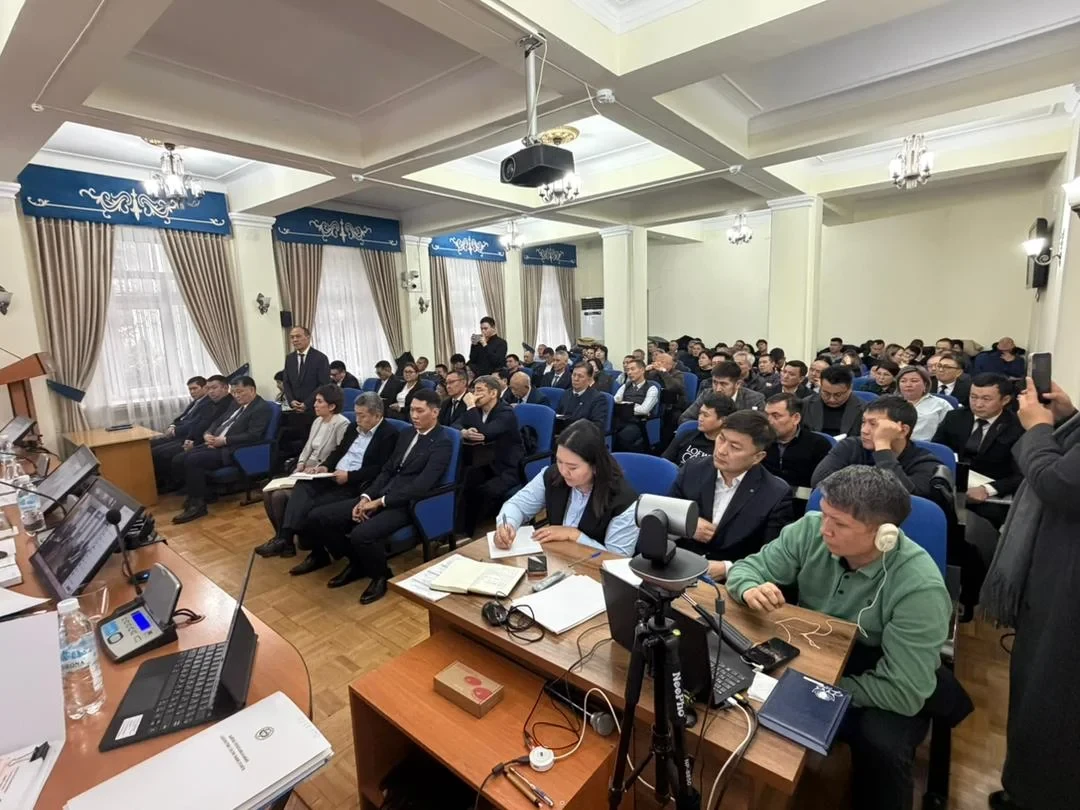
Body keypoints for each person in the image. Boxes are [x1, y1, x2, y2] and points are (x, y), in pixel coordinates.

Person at [727, 466, 950, 810]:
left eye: (840, 524)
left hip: (881, 666)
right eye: (825, 514)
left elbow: (904, 692)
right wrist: (749, 587)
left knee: (882, 745)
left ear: (885, 535)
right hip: (820, 647)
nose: (825, 529)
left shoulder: (920, 588)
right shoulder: (810, 529)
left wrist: (816, 689)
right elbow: (747, 568)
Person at [981, 377, 1079, 810]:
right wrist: (1069, 417)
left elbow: (1061, 484)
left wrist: (1039, 428)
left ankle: (1033, 795)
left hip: (1068, 590)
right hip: (1057, 572)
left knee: (1051, 694)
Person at [301, 388, 453, 604]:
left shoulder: (442, 442)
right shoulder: (407, 433)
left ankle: (381, 575)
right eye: (412, 410)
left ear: (435, 412)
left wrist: (380, 502)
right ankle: (358, 563)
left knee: (361, 534)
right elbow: (388, 470)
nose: (414, 416)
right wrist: (366, 496)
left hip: (407, 504)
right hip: (381, 494)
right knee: (319, 517)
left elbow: (421, 486)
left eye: (420, 411)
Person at [669, 410, 793, 580]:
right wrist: (685, 522)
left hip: (733, 580)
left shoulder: (775, 494)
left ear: (757, 457)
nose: (721, 450)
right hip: (681, 566)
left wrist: (728, 568)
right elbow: (666, 513)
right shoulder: (693, 468)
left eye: (734, 447)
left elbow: (773, 557)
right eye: (721, 439)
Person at [493, 420, 639, 556]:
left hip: (592, 569)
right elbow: (517, 505)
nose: (563, 471)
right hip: (558, 558)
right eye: (559, 461)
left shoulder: (623, 501)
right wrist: (507, 525)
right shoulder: (552, 475)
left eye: (572, 467)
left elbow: (616, 559)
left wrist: (574, 535)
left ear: (595, 466)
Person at [254, 385, 351, 558]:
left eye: (319, 401)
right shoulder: (318, 421)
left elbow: (339, 454)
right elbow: (307, 447)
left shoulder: (341, 424)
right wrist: (300, 464)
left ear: (332, 406)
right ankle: (282, 540)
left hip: (320, 473)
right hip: (305, 469)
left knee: (279, 496)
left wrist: (317, 467)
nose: (314, 404)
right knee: (268, 492)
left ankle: (285, 540)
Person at [172, 376, 273, 524]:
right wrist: (207, 434)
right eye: (234, 392)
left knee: (193, 460)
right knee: (180, 458)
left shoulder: (261, 408)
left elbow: (253, 435)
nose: (236, 395)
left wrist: (224, 441)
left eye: (240, 392)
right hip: (217, 442)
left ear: (252, 390)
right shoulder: (235, 403)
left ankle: (198, 506)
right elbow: (218, 421)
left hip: (234, 450)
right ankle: (204, 494)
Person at [932, 373, 1023, 521]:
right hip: (951, 484)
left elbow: (1022, 474)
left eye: (986, 399)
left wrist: (987, 489)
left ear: (1005, 400)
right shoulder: (954, 417)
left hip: (991, 495)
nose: (978, 404)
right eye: (973, 397)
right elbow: (936, 451)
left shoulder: (1017, 427)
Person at [810, 395, 941, 497]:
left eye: (873, 424)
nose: (864, 430)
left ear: (903, 430)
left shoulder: (925, 463)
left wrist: (882, 447)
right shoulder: (850, 446)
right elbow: (819, 483)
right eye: (863, 422)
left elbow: (905, 499)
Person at [460, 375, 524, 535]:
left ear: (493, 393)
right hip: (486, 462)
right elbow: (456, 424)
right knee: (465, 480)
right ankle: (459, 532)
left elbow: (485, 432)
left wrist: (470, 406)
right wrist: (464, 432)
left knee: (484, 490)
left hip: (507, 467)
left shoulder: (506, 412)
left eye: (479, 390)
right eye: (474, 390)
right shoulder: (478, 410)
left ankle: (473, 532)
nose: (475, 395)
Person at [153, 375, 232, 491]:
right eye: (209, 388)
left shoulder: (229, 404)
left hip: (211, 442)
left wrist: (194, 442)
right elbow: (199, 424)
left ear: (225, 388)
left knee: (171, 455)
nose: (211, 392)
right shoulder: (211, 403)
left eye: (214, 388)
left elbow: (213, 427)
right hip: (197, 437)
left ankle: (178, 485)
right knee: (156, 450)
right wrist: (190, 438)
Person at [763, 393, 833, 488]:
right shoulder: (760, 441)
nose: (769, 421)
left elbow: (823, 485)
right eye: (766, 415)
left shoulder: (818, 444)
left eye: (776, 416)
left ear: (796, 418)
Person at [662, 391, 734, 467]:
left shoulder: (723, 450)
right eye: (700, 413)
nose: (700, 418)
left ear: (722, 420)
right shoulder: (686, 434)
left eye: (705, 415)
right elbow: (663, 462)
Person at [679, 362, 765, 423]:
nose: (718, 389)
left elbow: (760, 429)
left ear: (738, 384)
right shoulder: (707, 394)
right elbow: (685, 418)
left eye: (724, 384)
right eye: (715, 382)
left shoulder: (755, 399)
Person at [802, 365, 865, 437]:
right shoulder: (805, 405)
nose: (831, 399)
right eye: (826, 393)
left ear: (850, 388)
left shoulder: (863, 409)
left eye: (838, 395)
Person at [613, 358, 659, 452]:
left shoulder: (652, 388)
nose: (629, 372)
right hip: (620, 419)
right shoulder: (626, 385)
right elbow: (615, 401)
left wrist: (624, 406)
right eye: (628, 370)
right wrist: (633, 405)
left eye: (632, 369)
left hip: (637, 422)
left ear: (642, 370)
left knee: (623, 436)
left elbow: (644, 410)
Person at [896, 365, 953, 441]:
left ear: (925, 384)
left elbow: (952, 431)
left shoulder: (941, 404)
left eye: (914, 381)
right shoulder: (890, 403)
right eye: (903, 381)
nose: (908, 385)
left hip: (925, 446)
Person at [282, 326, 330, 412]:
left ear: (308, 337)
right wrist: (291, 401)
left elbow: (323, 384)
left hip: (314, 408)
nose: (295, 340)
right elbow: (286, 382)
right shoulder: (289, 358)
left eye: (298, 336)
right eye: (292, 337)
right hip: (294, 408)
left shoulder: (320, 358)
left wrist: (307, 404)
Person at [556, 363, 607, 430]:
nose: (576, 379)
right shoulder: (566, 393)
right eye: (574, 375)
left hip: (583, 434)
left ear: (589, 379)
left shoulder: (598, 398)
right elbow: (558, 415)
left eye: (580, 376)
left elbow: (597, 425)